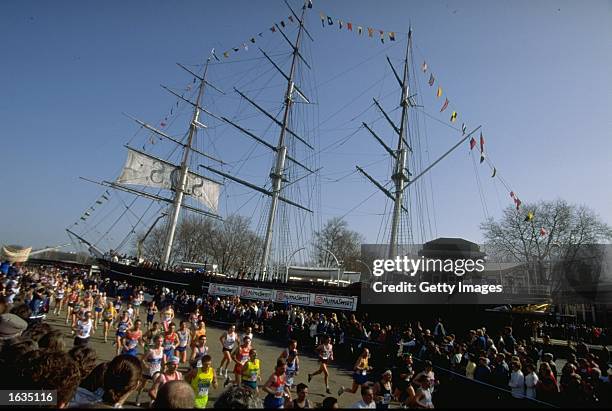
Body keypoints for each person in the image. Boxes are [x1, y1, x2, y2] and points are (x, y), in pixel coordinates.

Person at [136, 334, 165, 406]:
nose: (160, 343)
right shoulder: (150, 350)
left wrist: (164, 367)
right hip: (148, 370)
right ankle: (138, 397)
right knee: (142, 385)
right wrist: (146, 366)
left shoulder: (162, 349)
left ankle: (152, 401)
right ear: (155, 341)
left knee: (156, 386)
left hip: (156, 370)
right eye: (158, 341)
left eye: (161, 341)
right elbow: (142, 359)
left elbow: (162, 360)